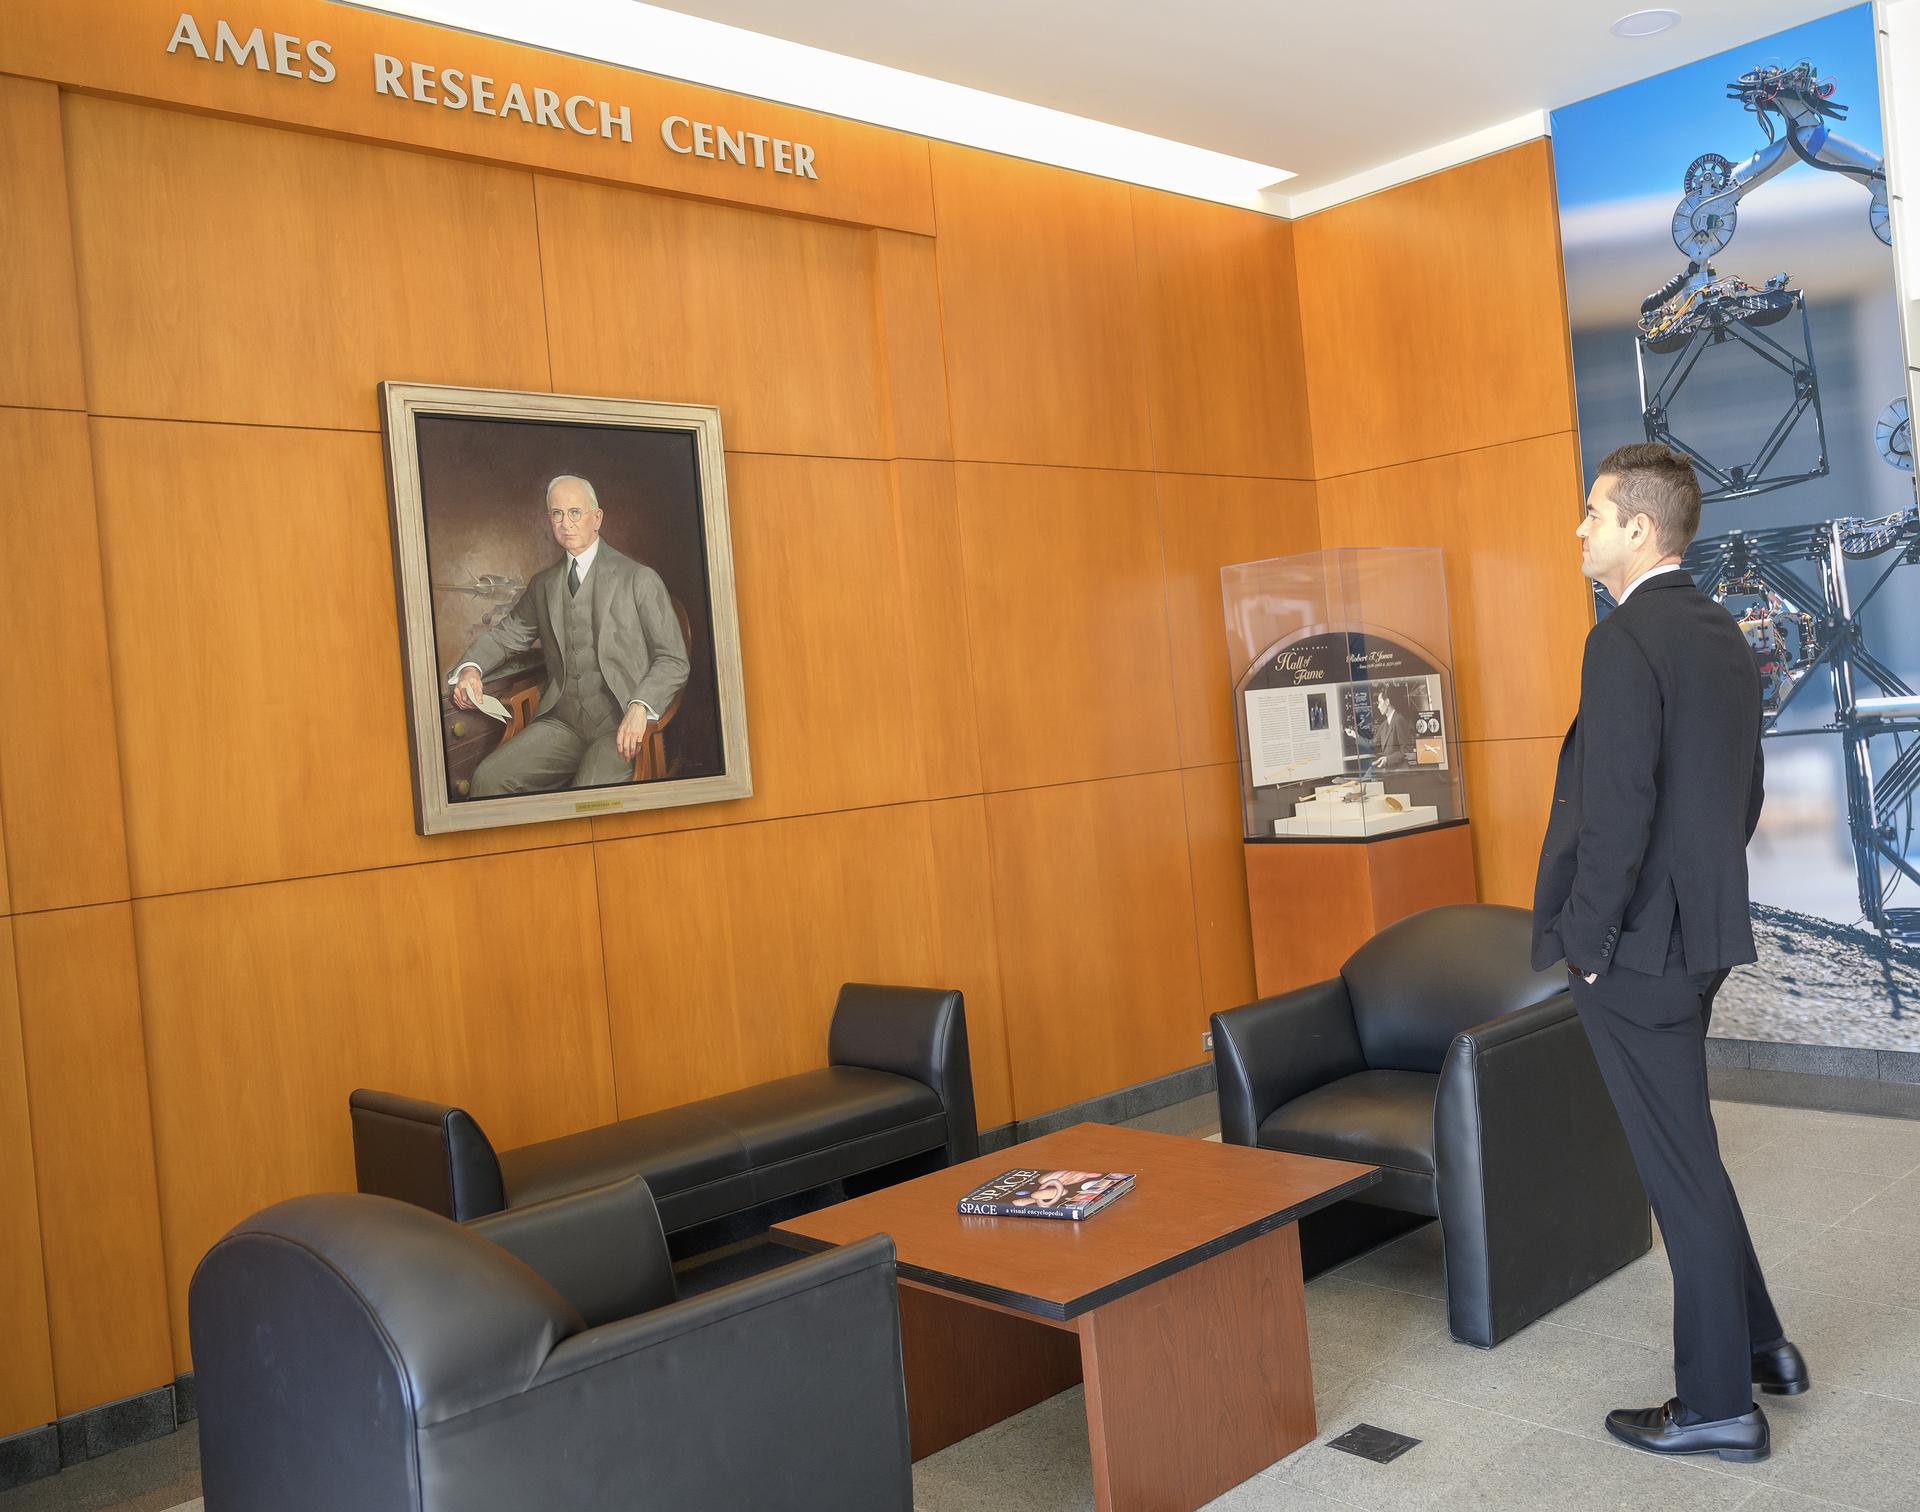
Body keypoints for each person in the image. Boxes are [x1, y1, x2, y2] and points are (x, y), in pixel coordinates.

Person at [1533, 443, 1804, 1463]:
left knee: (1677, 1169)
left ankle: (1718, 1407)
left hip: (1636, 952)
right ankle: (1764, 1347)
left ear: (1640, 530)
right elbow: (1745, 789)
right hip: (1699, 935)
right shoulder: (1721, 631)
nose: (1580, 528)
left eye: (1594, 513)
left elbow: (1616, 814)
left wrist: (1590, 943)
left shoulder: (1623, 640)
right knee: (1690, 1148)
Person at [449, 474, 689, 796]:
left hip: (619, 725)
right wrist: (470, 669)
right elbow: (506, 635)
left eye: (575, 512)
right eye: (557, 514)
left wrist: (640, 707)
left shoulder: (639, 579)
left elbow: (673, 659)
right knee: (488, 778)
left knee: (588, 796)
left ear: (597, 518)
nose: (566, 523)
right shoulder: (544, 584)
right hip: (562, 724)